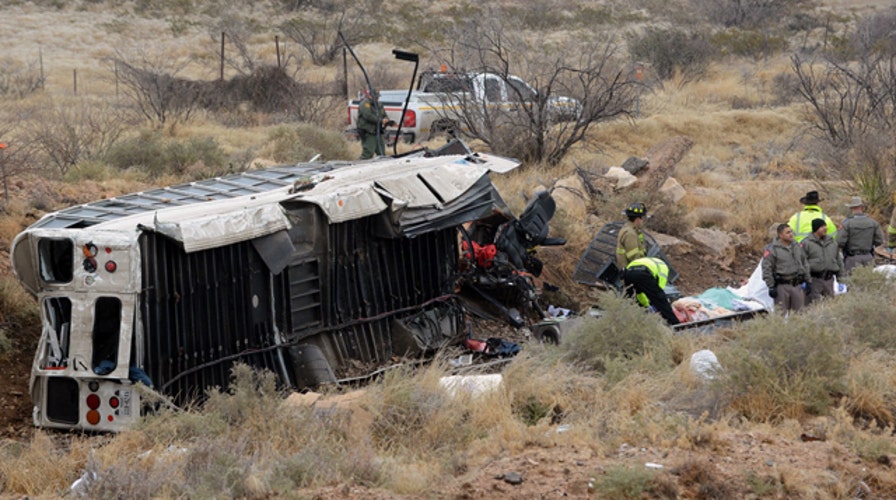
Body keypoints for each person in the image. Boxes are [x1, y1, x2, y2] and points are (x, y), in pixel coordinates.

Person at [762, 223, 809, 313]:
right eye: (787, 232)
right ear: (780, 235)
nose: (791, 234)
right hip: (782, 286)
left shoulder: (797, 246)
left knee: (799, 315)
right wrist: (771, 286)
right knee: (781, 314)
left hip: (796, 285)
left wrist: (807, 280)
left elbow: (804, 262)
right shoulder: (772, 249)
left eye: (791, 232)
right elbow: (766, 268)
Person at [621, 256, 679, 325]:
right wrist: (656, 305)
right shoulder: (664, 268)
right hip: (643, 273)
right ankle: (675, 324)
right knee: (660, 300)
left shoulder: (648, 261)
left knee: (630, 301)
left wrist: (647, 306)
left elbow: (639, 294)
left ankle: (629, 323)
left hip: (627, 274)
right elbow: (659, 290)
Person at [801, 218, 843, 303]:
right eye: (822, 227)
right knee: (814, 306)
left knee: (830, 306)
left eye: (825, 226)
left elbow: (839, 261)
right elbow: (801, 262)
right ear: (816, 229)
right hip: (814, 281)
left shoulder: (832, 242)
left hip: (829, 280)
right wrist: (805, 280)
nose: (825, 228)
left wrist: (841, 279)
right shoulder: (807, 243)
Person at [838, 196, 883, 273]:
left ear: (851, 208)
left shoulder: (846, 224)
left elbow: (840, 242)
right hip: (868, 257)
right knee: (869, 283)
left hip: (852, 259)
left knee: (851, 282)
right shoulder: (873, 223)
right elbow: (879, 240)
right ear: (862, 208)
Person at [357, 89, 393, 159]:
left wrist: (386, 120)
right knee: (368, 153)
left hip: (378, 131)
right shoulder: (365, 104)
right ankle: (359, 167)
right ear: (370, 95)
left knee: (382, 153)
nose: (377, 98)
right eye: (375, 97)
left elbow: (383, 114)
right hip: (368, 131)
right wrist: (381, 120)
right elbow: (368, 116)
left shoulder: (379, 104)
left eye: (377, 97)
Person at [616, 202, 648, 271]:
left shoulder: (630, 229)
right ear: (637, 219)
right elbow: (635, 258)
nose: (642, 221)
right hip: (632, 274)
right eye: (642, 218)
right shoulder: (630, 234)